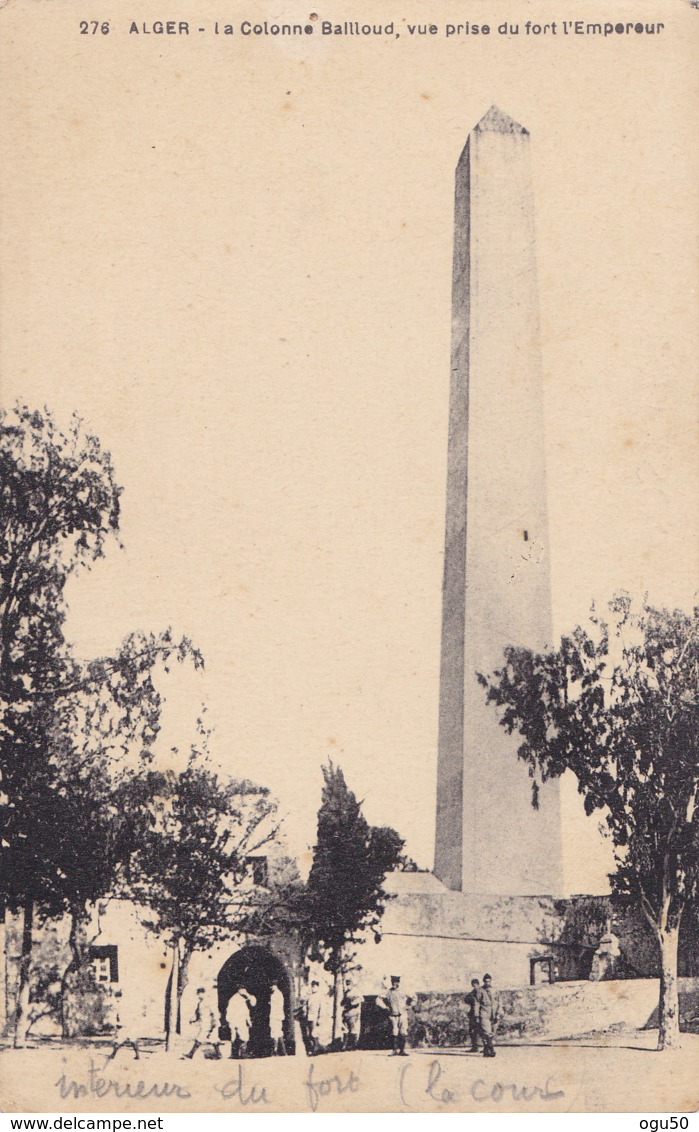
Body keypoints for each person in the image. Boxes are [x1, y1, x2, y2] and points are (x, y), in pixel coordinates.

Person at [182, 987, 221, 1060]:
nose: (199, 996)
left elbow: (214, 1013)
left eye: (200, 994)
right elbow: (198, 1013)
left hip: (210, 1023)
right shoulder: (201, 1003)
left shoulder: (208, 1001)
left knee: (200, 1038)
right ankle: (219, 1055)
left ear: (204, 993)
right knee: (213, 1039)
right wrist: (194, 1020)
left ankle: (190, 1054)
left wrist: (214, 1023)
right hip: (204, 1023)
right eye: (198, 994)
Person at [377, 975, 411, 1057]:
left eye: (396, 982)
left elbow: (414, 997)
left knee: (403, 1032)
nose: (395, 984)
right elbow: (378, 999)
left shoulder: (404, 991)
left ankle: (402, 1050)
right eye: (393, 982)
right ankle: (394, 1050)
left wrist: (409, 1006)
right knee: (394, 1032)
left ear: (399, 982)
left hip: (403, 1014)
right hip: (393, 1015)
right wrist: (385, 1007)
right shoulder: (388, 992)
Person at [107, 988, 140, 1061]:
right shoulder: (123, 1004)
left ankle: (112, 1055)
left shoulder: (121, 1005)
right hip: (129, 1025)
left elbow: (121, 1016)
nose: (117, 999)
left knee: (118, 1041)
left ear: (120, 997)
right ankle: (137, 1055)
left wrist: (118, 1024)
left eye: (117, 997)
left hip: (125, 1025)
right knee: (133, 1040)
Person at [226, 987, 256, 1059]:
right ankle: (240, 1054)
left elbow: (253, 1003)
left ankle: (238, 1054)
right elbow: (229, 1011)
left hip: (242, 1020)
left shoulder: (243, 998)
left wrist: (247, 995)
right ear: (239, 990)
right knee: (241, 1037)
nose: (244, 991)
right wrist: (231, 1022)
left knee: (242, 1037)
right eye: (242, 990)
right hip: (236, 1021)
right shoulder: (234, 999)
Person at [476, 973, 500, 1058]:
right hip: (484, 1012)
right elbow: (477, 1003)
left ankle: (486, 1050)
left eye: (489, 981)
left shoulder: (495, 990)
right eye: (486, 982)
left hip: (493, 1013)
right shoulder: (480, 991)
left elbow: (499, 1002)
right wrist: (477, 1015)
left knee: (492, 1032)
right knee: (487, 1031)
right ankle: (492, 1050)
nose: (487, 983)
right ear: (483, 982)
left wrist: (499, 1013)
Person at [341, 977, 363, 1051]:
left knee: (353, 1029)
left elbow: (360, 1000)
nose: (348, 986)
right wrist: (343, 1003)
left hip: (353, 1012)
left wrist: (351, 1003)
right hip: (346, 1013)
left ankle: (354, 1045)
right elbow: (343, 1001)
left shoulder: (356, 991)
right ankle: (344, 1046)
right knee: (345, 1029)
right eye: (347, 984)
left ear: (352, 984)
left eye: (349, 984)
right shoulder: (346, 992)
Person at [304, 979, 323, 1055]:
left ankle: (316, 1049)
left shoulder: (319, 996)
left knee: (314, 1033)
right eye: (312, 986)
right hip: (309, 1016)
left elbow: (321, 1009)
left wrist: (319, 1018)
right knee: (309, 1034)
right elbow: (307, 1006)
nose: (313, 988)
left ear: (318, 987)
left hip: (315, 1017)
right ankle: (313, 1048)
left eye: (314, 986)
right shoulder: (310, 996)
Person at [269, 981, 287, 1056]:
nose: (272, 987)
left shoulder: (277, 994)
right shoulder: (274, 994)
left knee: (275, 1033)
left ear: (276, 986)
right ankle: (282, 1051)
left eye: (273, 985)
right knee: (277, 1033)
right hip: (274, 1016)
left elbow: (278, 1006)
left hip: (276, 1016)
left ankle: (276, 1051)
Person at [464, 977, 481, 1052]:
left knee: (482, 1031)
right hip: (473, 1014)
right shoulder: (473, 992)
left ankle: (486, 1047)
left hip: (480, 1014)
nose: (475, 986)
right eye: (473, 985)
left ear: (478, 984)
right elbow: (466, 999)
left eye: (475, 985)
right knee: (472, 1030)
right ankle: (475, 1046)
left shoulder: (481, 992)